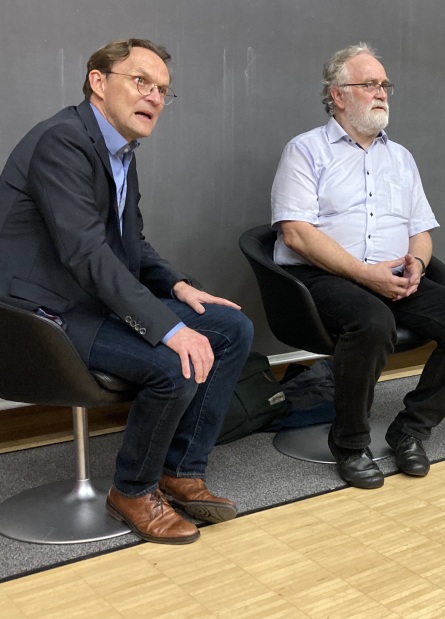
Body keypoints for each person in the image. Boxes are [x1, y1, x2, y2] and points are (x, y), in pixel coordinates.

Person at [0, 39, 254, 544]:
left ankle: (178, 470)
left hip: (87, 301)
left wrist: (178, 288)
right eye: (142, 82)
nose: (155, 97)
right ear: (98, 82)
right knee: (171, 361)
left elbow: (129, 242)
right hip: (41, 312)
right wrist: (168, 329)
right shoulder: (62, 141)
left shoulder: (120, 151)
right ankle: (133, 491)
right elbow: (88, 254)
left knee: (231, 329)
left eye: (163, 90)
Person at [270, 43, 445, 489]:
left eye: (384, 84)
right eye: (369, 84)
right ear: (338, 95)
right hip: (322, 278)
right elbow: (295, 233)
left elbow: (421, 229)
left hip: (393, 275)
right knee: (372, 321)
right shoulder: (306, 150)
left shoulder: (401, 157)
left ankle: (410, 430)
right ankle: (350, 443)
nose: (381, 92)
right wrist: (362, 273)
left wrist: (418, 264)